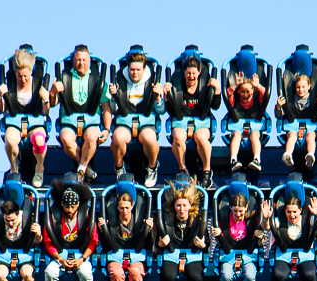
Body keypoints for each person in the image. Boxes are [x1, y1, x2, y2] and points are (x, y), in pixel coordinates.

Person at [49, 45, 112, 183]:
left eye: (84, 60)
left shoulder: (98, 80)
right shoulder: (64, 78)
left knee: (91, 137)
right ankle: (85, 168)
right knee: (66, 139)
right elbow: (52, 104)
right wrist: (53, 92)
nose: (81, 63)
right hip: (69, 121)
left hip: (91, 121)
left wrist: (107, 129)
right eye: (78, 60)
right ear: (73, 61)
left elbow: (107, 108)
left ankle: (81, 169)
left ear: (89, 61)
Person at [163, 53, 221, 189]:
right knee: (178, 136)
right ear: (184, 73)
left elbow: (216, 106)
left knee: (201, 137)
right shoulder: (178, 84)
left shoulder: (205, 85)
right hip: (181, 121)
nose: (191, 76)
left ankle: (207, 171)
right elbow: (171, 111)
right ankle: (182, 170)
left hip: (201, 121)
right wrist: (167, 97)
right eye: (188, 73)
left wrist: (217, 90)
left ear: (199, 72)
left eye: (194, 73)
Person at [0, 48, 50, 188]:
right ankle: (14, 170)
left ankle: (40, 168)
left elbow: (45, 112)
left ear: (31, 71)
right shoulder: (10, 83)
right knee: (11, 141)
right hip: (14, 120)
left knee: (39, 141)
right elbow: (0, 110)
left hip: (35, 120)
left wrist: (46, 100)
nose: (23, 80)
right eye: (20, 77)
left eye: (25, 76)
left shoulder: (38, 83)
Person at [109, 50, 165, 188]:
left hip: (146, 120)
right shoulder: (119, 79)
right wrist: (114, 97)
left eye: (138, 70)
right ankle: (119, 168)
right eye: (132, 69)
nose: (135, 73)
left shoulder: (152, 80)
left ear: (144, 69)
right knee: (118, 137)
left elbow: (162, 110)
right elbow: (114, 109)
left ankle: (152, 168)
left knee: (150, 139)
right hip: (125, 120)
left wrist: (158, 98)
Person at [43, 182, 98, 281]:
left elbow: (93, 241)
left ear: (78, 205)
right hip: (60, 255)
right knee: (50, 272)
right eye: (67, 206)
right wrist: (59, 258)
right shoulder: (53, 217)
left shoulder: (86, 217)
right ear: (62, 204)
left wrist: (82, 259)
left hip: (81, 255)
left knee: (86, 273)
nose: (70, 210)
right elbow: (48, 242)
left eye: (73, 207)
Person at [97, 190, 153, 281]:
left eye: (127, 208)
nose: (124, 211)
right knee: (117, 274)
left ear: (132, 207)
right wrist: (103, 231)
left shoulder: (138, 222)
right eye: (121, 208)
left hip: (136, 256)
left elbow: (148, 245)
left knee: (136, 273)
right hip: (115, 256)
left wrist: (149, 231)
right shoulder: (112, 223)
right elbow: (107, 247)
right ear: (117, 208)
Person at [157, 179, 206, 281]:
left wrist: (203, 245)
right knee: (167, 275)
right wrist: (160, 244)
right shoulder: (167, 221)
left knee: (195, 276)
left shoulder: (198, 220)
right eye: (178, 206)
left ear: (190, 206)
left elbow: (206, 245)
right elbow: (155, 245)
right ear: (174, 206)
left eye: (184, 205)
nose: (181, 209)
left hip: (192, 253)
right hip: (172, 253)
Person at [212, 194, 271, 281]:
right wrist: (217, 234)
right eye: (235, 211)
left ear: (246, 208)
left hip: (248, 254)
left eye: (241, 211)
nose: (238, 214)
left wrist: (266, 219)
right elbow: (218, 238)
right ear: (231, 208)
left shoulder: (252, 218)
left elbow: (265, 227)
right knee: (226, 276)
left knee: (250, 276)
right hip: (229, 254)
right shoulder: (225, 218)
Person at [0, 200, 42, 281]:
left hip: (24, 254)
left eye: (12, 220)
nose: (10, 223)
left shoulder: (28, 219)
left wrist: (38, 234)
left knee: (27, 275)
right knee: (0, 275)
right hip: (4, 255)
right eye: (7, 220)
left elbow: (37, 242)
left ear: (18, 214)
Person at [275, 73, 317, 168]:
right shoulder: (290, 100)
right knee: (292, 135)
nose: (301, 90)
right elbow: (279, 115)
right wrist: (278, 106)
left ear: (309, 87)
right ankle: (288, 154)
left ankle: (310, 155)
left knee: (310, 136)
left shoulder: (314, 100)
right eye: (298, 87)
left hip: (311, 126)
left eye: (303, 87)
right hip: (293, 126)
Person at [226, 73, 267, 172]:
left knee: (254, 134)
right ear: (238, 91)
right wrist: (235, 86)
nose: (245, 94)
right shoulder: (234, 101)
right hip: (237, 129)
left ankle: (257, 159)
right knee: (236, 135)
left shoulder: (257, 100)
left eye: (248, 91)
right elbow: (228, 94)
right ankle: (233, 160)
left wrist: (258, 86)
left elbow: (266, 94)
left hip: (255, 129)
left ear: (252, 91)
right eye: (242, 91)